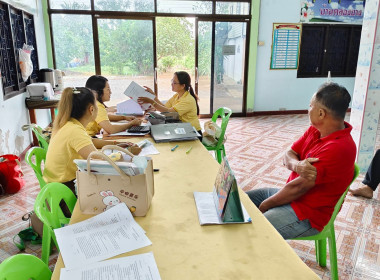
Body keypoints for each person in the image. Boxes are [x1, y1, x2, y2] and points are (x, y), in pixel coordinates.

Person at [246, 83, 356, 239]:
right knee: (240, 200)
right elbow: (289, 154)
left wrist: (266, 205)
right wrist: (297, 165)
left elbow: (298, 188)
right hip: (292, 197)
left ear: (321, 113)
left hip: (307, 214)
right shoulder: (315, 130)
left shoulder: (339, 148)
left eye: (310, 106)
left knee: (254, 231)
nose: (307, 109)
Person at [43, 87, 140, 194]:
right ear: (91, 109)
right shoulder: (75, 130)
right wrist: (127, 153)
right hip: (65, 190)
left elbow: (90, 142)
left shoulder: (69, 124)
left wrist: (116, 144)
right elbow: (101, 162)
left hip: (57, 185)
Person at [137, 71, 202, 137]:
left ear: (183, 86)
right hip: (183, 129)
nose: (171, 84)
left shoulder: (188, 100)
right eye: (172, 81)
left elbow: (168, 112)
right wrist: (153, 96)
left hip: (193, 132)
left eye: (174, 83)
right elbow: (164, 107)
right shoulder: (177, 96)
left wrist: (152, 101)